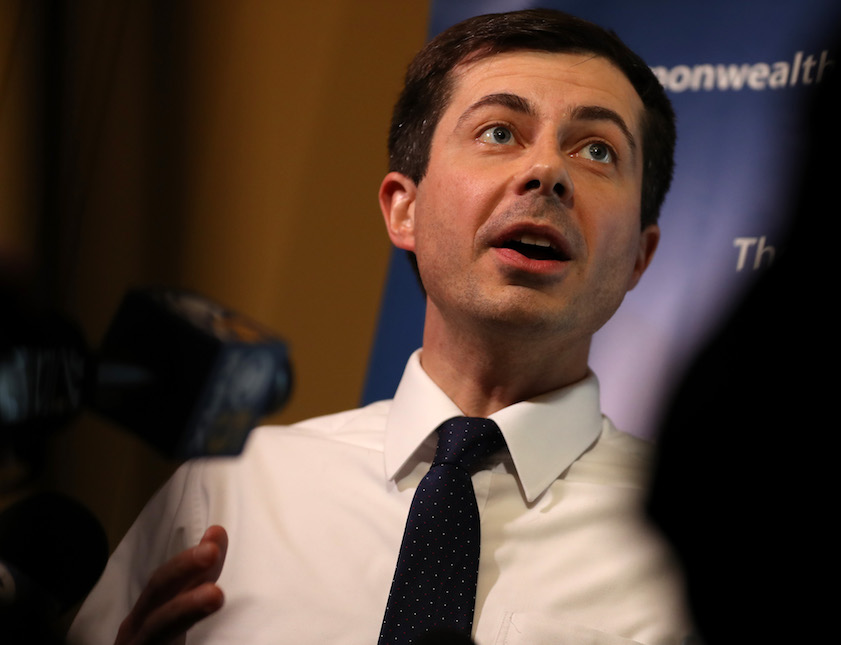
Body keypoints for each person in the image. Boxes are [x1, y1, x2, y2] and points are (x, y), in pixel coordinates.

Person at [68, 9, 691, 645]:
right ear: (405, 209)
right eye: (500, 132)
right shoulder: (224, 497)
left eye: (597, 150)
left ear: (640, 255)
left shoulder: (695, 548)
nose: (547, 173)